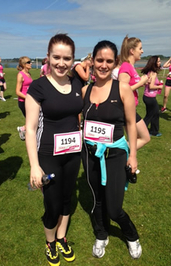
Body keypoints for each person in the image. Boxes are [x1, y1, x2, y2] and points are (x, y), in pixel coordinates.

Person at [25, 33, 83, 266]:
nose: (61, 63)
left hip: (73, 153)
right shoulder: (37, 87)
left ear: (73, 60)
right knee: (53, 202)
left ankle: (61, 237)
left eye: (66, 58)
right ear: (48, 57)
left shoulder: (77, 83)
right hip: (48, 155)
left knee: (67, 198)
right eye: (56, 57)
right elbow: (30, 130)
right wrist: (34, 166)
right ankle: (50, 242)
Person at [81, 40, 142, 260]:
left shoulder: (122, 88)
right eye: (99, 60)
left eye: (109, 61)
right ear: (93, 61)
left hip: (115, 155)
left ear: (115, 62)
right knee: (97, 200)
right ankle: (101, 234)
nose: (103, 65)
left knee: (114, 208)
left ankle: (132, 236)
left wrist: (133, 155)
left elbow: (130, 123)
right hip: (89, 155)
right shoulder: (85, 90)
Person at [118, 35, 150, 150]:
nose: (142, 51)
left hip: (131, 109)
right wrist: (141, 83)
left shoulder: (131, 67)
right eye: (140, 48)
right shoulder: (126, 67)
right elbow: (121, 90)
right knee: (145, 137)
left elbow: (130, 87)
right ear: (132, 51)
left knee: (136, 138)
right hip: (127, 110)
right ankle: (120, 154)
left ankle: (126, 161)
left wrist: (142, 82)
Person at [141, 56, 163, 137]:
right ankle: (142, 131)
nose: (160, 63)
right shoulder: (153, 73)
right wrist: (159, 87)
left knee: (155, 114)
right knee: (150, 115)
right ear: (154, 63)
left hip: (148, 97)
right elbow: (151, 87)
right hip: (150, 98)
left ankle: (154, 131)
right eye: (158, 61)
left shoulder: (150, 72)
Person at [16, 56, 33, 141]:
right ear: (23, 64)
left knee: (33, 118)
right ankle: (23, 130)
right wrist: (28, 97)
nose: (31, 64)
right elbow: (17, 92)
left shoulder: (29, 74)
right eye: (29, 62)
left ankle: (23, 129)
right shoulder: (20, 75)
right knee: (32, 119)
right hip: (23, 101)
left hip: (30, 100)